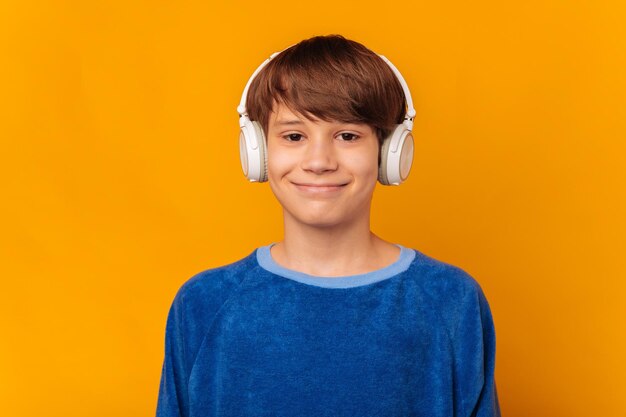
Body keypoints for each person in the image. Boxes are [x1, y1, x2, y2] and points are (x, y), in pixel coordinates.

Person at [156, 35, 501, 417]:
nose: (319, 161)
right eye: (294, 136)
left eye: (348, 135)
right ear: (257, 151)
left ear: (389, 152)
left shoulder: (450, 300)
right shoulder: (204, 303)